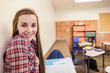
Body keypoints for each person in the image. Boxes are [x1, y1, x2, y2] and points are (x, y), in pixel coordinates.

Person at [3, 8, 45, 73]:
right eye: (24, 25)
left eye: (33, 25)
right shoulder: (19, 41)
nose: (29, 30)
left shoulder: (32, 42)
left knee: (56, 53)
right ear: (16, 26)